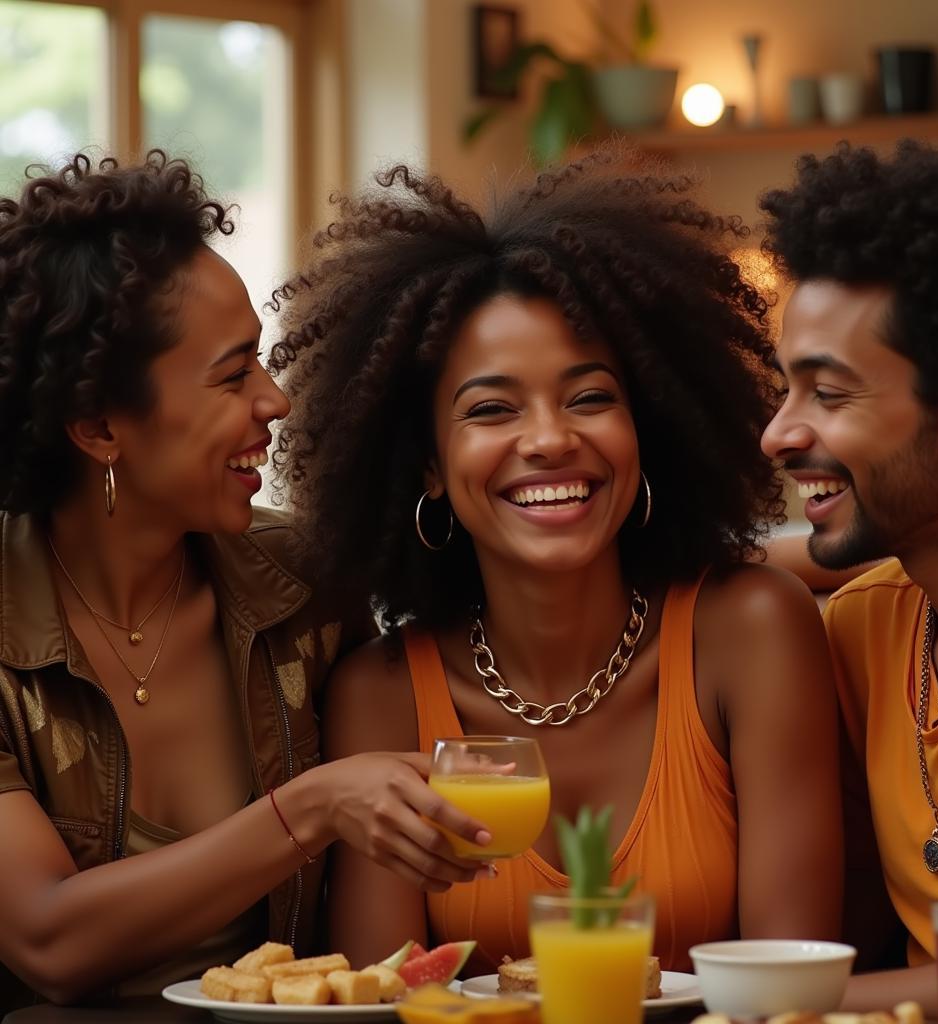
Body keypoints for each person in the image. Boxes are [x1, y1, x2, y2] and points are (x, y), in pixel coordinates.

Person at [271, 148, 844, 975]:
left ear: (647, 427)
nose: (548, 440)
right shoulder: (381, 695)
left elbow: (788, 990)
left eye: (590, 398)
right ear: (426, 464)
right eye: (492, 409)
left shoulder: (752, 630)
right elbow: (384, 998)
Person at [0, 152, 496, 1010]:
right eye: (233, 376)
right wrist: (310, 809)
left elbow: (521, 576)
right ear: (97, 427)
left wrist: (790, 559)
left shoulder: (308, 578)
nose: (276, 402)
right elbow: (47, 937)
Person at [760, 127, 938, 1017]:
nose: (780, 434)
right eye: (786, 389)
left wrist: (761, 1000)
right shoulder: (866, 627)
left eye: (828, 394)